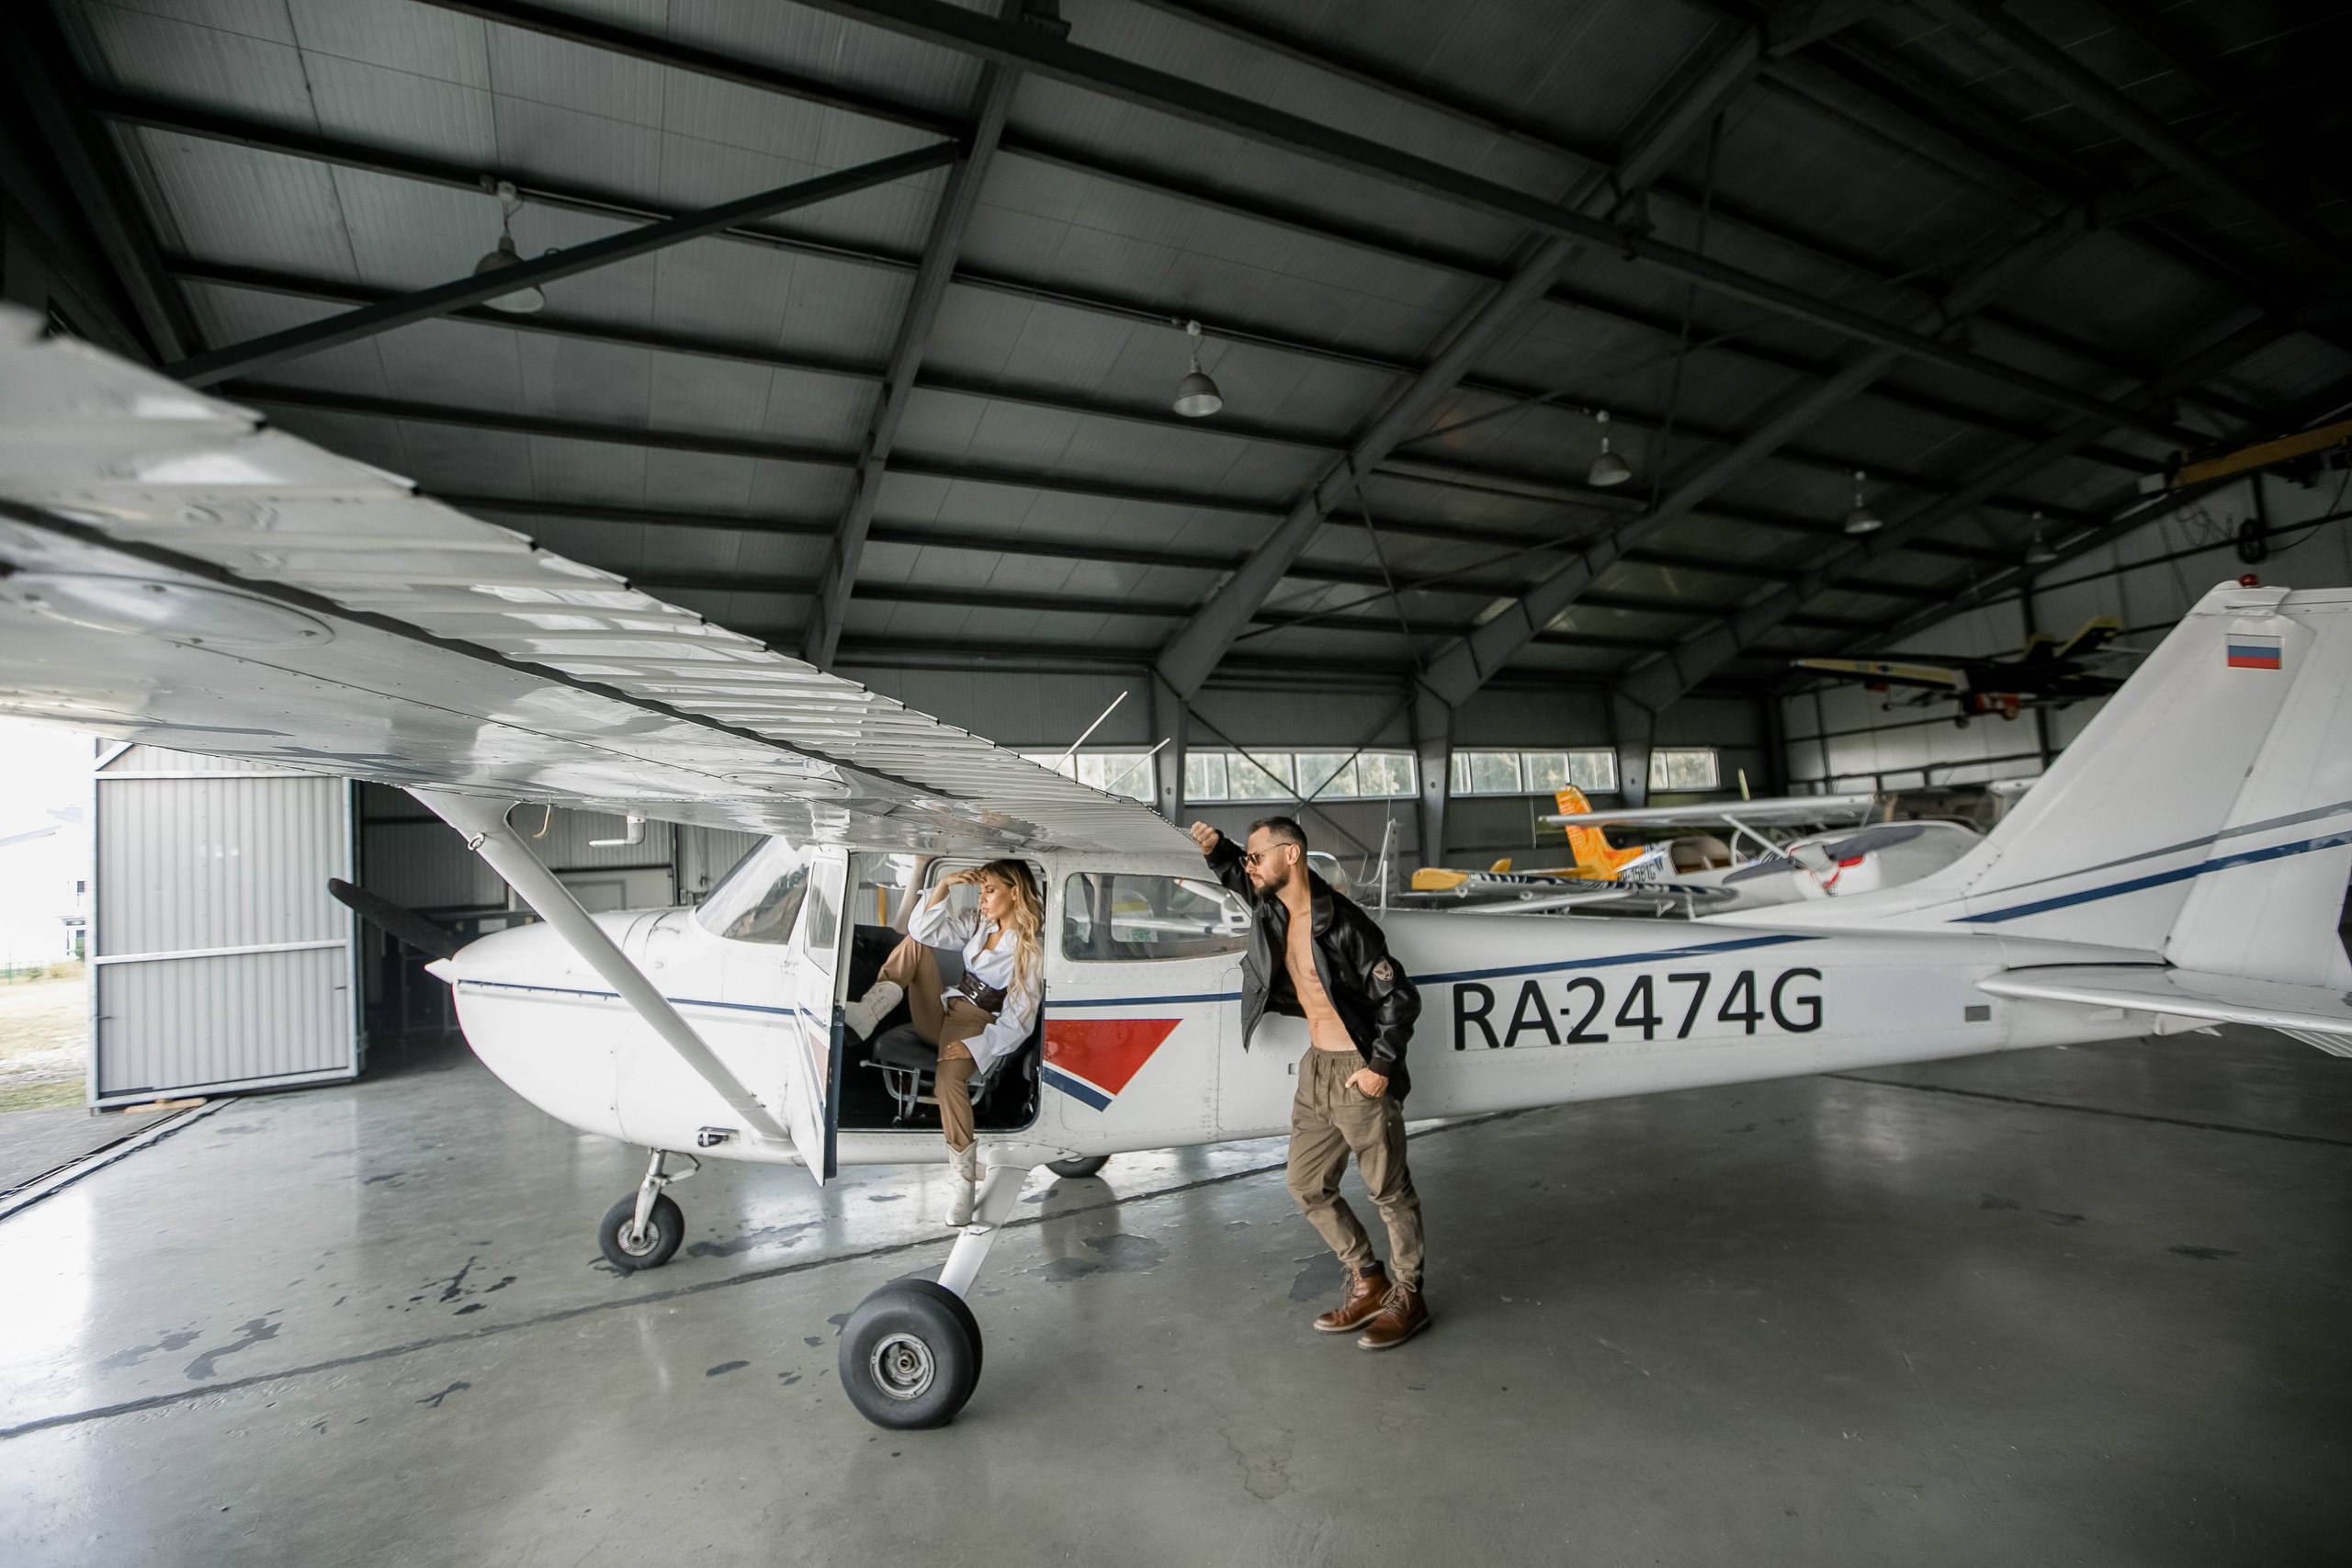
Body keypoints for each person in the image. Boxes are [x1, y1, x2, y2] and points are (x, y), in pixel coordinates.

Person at [1193, 815, 1430, 1350]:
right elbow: (1238, 873)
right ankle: (1369, 1280)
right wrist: (1218, 851)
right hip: (1316, 1068)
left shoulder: (1345, 924)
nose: (1250, 867)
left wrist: (1380, 1069)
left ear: (1291, 855)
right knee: (1306, 1185)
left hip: (1358, 1070)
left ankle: (1409, 1297)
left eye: (1259, 857)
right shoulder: (1273, 907)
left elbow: (1399, 999)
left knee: (1389, 1193)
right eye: (1249, 858)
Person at [840, 860, 1044, 1226]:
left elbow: (1020, 1021)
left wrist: (975, 1047)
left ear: (1015, 892)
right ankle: (869, 1011)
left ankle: (963, 1185)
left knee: (951, 1082)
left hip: (976, 1025)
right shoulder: (980, 924)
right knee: (915, 940)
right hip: (942, 1010)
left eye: (990, 890)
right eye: (980, 890)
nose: (982, 899)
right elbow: (922, 928)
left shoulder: (1029, 950)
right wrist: (944, 885)